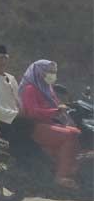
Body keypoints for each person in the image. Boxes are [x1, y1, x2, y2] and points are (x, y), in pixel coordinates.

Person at [18, 60, 81, 189]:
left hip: (48, 123)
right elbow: (33, 112)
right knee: (69, 136)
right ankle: (61, 176)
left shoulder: (47, 88)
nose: (52, 75)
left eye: (54, 72)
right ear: (39, 72)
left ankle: (67, 166)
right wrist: (56, 111)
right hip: (36, 126)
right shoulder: (30, 89)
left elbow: (56, 105)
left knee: (77, 132)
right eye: (49, 71)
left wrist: (64, 108)